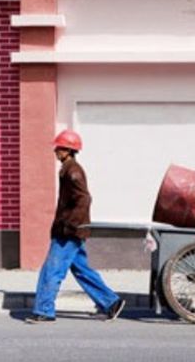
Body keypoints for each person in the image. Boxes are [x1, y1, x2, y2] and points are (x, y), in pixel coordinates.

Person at [25, 130, 125, 324]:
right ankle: (111, 303)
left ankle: (44, 310)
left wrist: (71, 224)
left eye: (59, 148)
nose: (55, 151)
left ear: (67, 151)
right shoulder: (69, 168)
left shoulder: (73, 171)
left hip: (68, 232)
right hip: (70, 230)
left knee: (51, 270)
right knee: (81, 270)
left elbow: (84, 198)